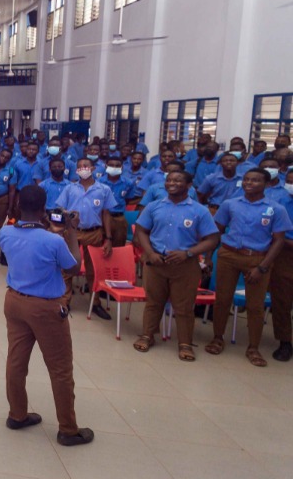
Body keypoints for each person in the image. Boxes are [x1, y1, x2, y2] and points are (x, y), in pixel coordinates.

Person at [0, 184, 93, 446]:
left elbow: (26, 244)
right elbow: (73, 267)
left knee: (16, 361)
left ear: (18, 206)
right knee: (60, 368)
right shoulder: (53, 240)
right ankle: (68, 429)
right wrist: (70, 232)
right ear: (44, 210)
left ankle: (17, 414)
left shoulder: (5, 232)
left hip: (14, 301)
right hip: (45, 307)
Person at [206, 168, 293, 367]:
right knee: (222, 300)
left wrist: (262, 267)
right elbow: (216, 232)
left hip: (258, 258)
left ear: (266, 183)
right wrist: (208, 257)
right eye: (246, 179)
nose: (249, 183)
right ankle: (218, 338)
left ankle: (253, 347)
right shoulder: (230, 204)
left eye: (255, 180)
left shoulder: (275, 208)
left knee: (255, 306)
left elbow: (279, 241)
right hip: (228, 255)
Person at [133, 171, 221, 360]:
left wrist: (189, 253)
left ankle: (185, 344)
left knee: (183, 307)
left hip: (185, 265)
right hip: (156, 262)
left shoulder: (199, 210)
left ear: (189, 185)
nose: (172, 183)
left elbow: (213, 238)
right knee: (153, 303)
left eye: (178, 180)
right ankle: (148, 336)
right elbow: (141, 231)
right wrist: (150, 253)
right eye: (169, 180)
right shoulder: (154, 206)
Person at [55, 157, 115, 320]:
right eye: (80, 166)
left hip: (94, 232)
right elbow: (61, 207)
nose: (83, 169)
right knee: (67, 267)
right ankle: (65, 301)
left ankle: (95, 303)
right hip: (73, 231)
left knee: (93, 269)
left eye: (86, 166)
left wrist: (108, 238)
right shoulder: (70, 188)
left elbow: (106, 214)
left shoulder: (103, 189)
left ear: (93, 168)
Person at [269, 170, 293, 361]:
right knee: (282, 299)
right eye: (289, 181)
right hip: (284, 253)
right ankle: (285, 342)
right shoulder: (281, 203)